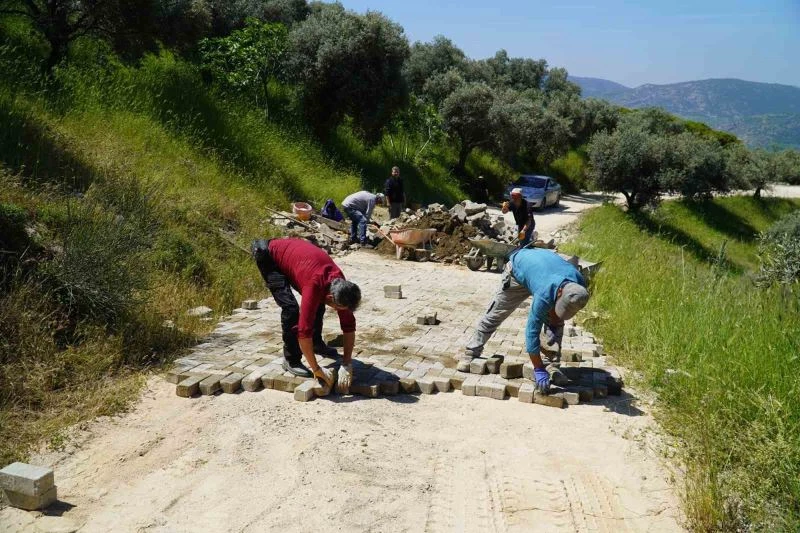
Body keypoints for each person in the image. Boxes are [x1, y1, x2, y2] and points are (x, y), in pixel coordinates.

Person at [461, 248, 590, 394]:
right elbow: (531, 332)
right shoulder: (544, 292)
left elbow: (559, 312)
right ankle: (471, 352)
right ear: (559, 292)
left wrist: (554, 325)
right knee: (497, 313)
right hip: (518, 271)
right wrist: (538, 369)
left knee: (557, 322)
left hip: (542, 270)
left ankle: (551, 365)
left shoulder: (579, 285)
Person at [251, 238, 361, 393]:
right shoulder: (314, 285)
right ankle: (291, 359)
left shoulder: (340, 285)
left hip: (299, 261)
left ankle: (316, 344)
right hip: (268, 256)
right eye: (339, 308)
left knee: (317, 305)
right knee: (291, 309)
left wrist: (347, 363)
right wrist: (316, 369)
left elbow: (349, 325)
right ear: (331, 298)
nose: (341, 311)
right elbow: (303, 332)